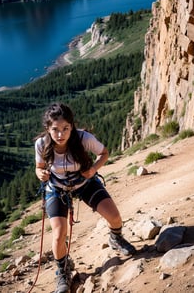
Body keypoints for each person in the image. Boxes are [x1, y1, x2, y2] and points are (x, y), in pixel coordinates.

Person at [35, 102, 136, 293]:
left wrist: (93, 170)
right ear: (47, 129)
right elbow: (39, 167)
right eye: (55, 129)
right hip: (56, 189)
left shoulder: (83, 138)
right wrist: (40, 174)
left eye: (65, 128)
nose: (60, 134)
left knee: (114, 217)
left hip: (85, 183)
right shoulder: (41, 144)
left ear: (72, 126)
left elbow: (104, 153)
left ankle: (116, 238)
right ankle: (63, 271)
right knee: (58, 234)